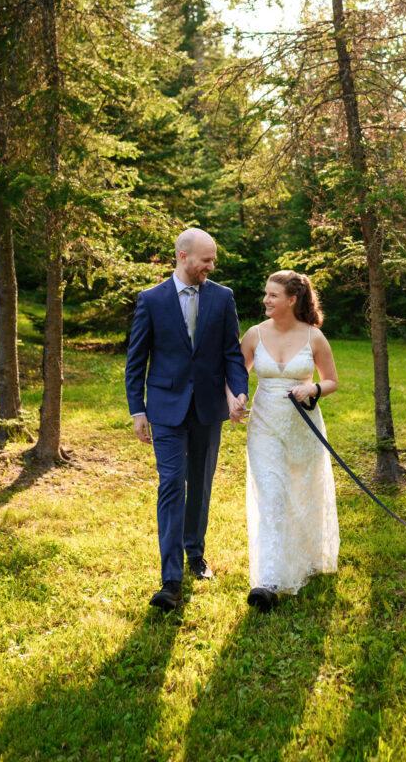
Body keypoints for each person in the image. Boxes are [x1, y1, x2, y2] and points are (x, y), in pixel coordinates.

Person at [125, 228, 249, 611]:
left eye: (213, 261)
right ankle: (171, 580)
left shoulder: (223, 297)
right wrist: (137, 409)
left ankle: (195, 552)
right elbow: (136, 360)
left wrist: (239, 389)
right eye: (205, 260)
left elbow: (231, 351)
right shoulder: (152, 300)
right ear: (182, 256)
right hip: (165, 408)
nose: (210, 267)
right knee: (171, 486)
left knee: (201, 483)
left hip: (208, 408)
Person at [238, 270, 340, 612]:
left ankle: (307, 559)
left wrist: (312, 388)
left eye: (273, 295)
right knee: (273, 496)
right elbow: (236, 375)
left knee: (301, 493)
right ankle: (268, 581)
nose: (266, 300)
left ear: (292, 300)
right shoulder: (254, 335)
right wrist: (233, 398)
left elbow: (331, 382)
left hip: (303, 427)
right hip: (264, 426)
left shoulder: (315, 338)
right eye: (265, 294)